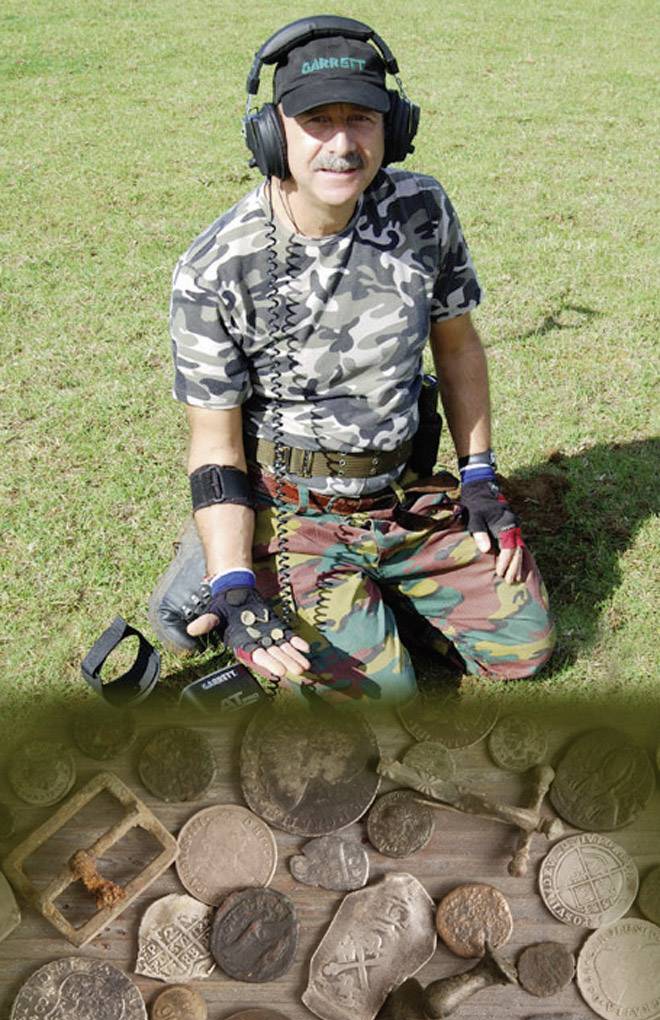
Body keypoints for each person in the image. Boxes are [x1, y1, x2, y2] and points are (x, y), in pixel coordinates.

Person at [149, 15, 554, 703]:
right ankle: (226, 569)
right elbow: (215, 449)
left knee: (525, 649)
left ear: (392, 129)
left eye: (361, 119)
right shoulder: (215, 268)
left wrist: (480, 477)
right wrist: (238, 587)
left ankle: (378, 595)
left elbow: (457, 347)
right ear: (273, 133)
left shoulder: (423, 209)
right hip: (296, 513)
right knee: (380, 700)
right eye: (316, 121)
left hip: (400, 495)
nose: (341, 144)